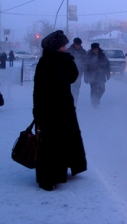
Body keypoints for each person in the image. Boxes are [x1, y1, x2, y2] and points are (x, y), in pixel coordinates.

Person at [33, 30, 87, 191]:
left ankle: (53, 176)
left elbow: (70, 77)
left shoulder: (45, 61)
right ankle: (49, 179)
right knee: (55, 143)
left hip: (52, 109)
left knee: (55, 142)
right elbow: (71, 77)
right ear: (57, 47)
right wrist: (67, 60)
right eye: (63, 46)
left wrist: (37, 111)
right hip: (56, 109)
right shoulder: (57, 61)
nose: (65, 48)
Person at [84, 43, 111, 108]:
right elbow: (86, 67)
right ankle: (94, 104)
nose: (96, 50)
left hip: (101, 75)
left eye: (97, 49)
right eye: (95, 49)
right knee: (93, 90)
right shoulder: (89, 56)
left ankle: (97, 98)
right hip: (92, 76)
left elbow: (107, 64)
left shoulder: (102, 55)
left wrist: (108, 73)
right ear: (92, 49)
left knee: (102, 89)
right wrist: (86, 77)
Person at [66, 37, 87, 105]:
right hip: (69, 72)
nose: (77, 46)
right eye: (76, 44)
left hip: (79, 73)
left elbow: (86, 62)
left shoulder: (83, 52)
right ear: (74, 44)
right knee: (69, 88)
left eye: (79, 44)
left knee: (76, 88)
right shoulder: (68, 51)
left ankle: (74, 102)